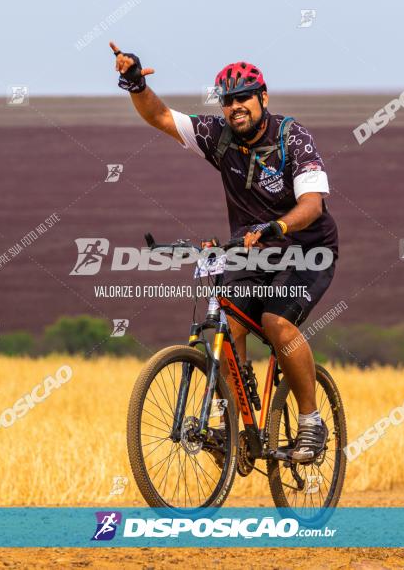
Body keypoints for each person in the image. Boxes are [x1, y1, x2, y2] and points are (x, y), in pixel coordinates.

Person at [109, 42, 338, 462]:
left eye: (243, 98)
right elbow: (161, 117)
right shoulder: (219, 137)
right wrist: (135, 83)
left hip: (306, 247)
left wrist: (278, 226)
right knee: (226, 326)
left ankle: (311, 422)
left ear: (262, 98)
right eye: (227, 100)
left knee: (276, 323)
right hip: (251, 251)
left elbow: (312, 206)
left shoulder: (293, 137)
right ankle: (237, 425)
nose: (235, 107)